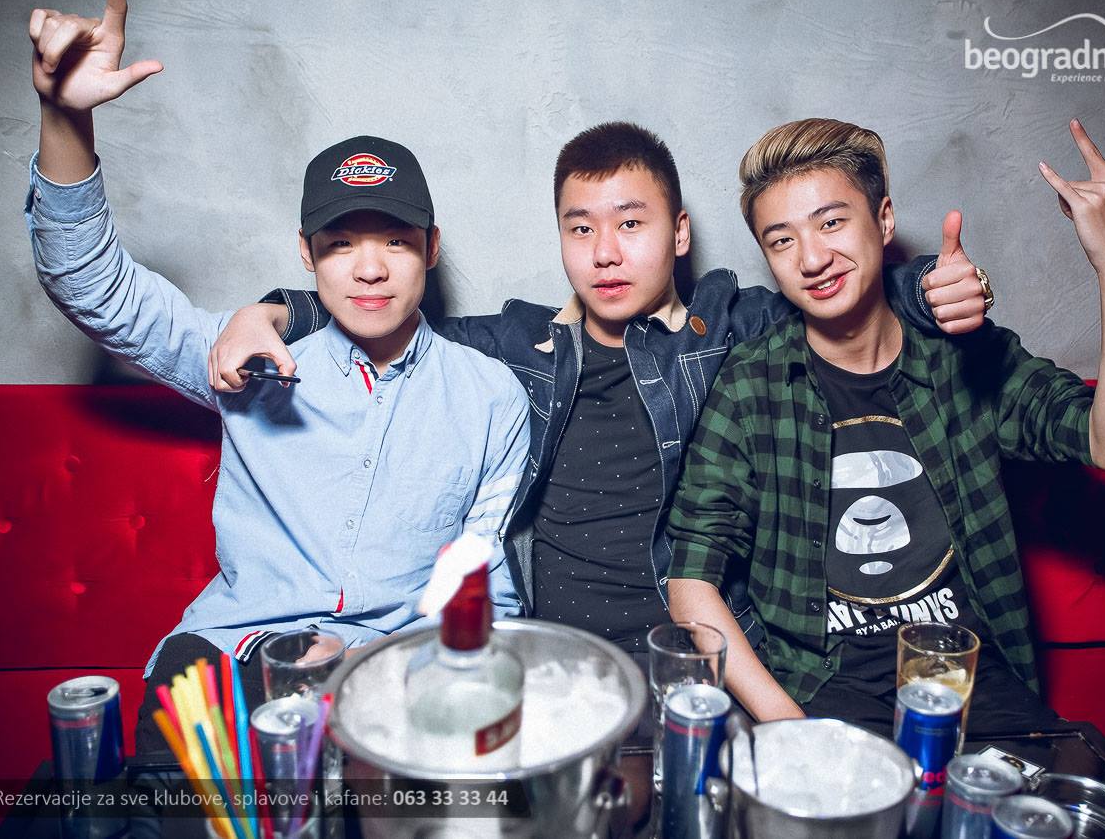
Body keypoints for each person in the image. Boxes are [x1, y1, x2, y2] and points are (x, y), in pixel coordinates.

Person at [210, 124, 993, 681]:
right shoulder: (515, 346)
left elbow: (836, 291)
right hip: (546, 661)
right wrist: (274, 311)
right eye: (581, 229)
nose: (606, 253)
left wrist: (928, 287)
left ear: (679, 234)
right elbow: (386, 308)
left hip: (702, 658)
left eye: (631, 223)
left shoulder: (729, 326)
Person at [25, 0, 530, 754]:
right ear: (306, 253)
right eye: (341, 244)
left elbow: (483, 577)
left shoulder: (490, 395)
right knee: (160, 791)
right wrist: (66, 117)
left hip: (394, 674)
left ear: (431, 249)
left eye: (395, 241)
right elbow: (92, 286)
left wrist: (382, 664)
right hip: (231, 659)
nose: (370, 268)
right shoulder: (251, 358)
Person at [665, 117, 1105, 737]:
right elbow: (691, 583)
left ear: (885, 219)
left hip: (967, 675)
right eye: (781, 240)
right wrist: (791, 731)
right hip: (821, 685)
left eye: (831, 222)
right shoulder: (750, 385)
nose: (812, 258)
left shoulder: (961, 357)